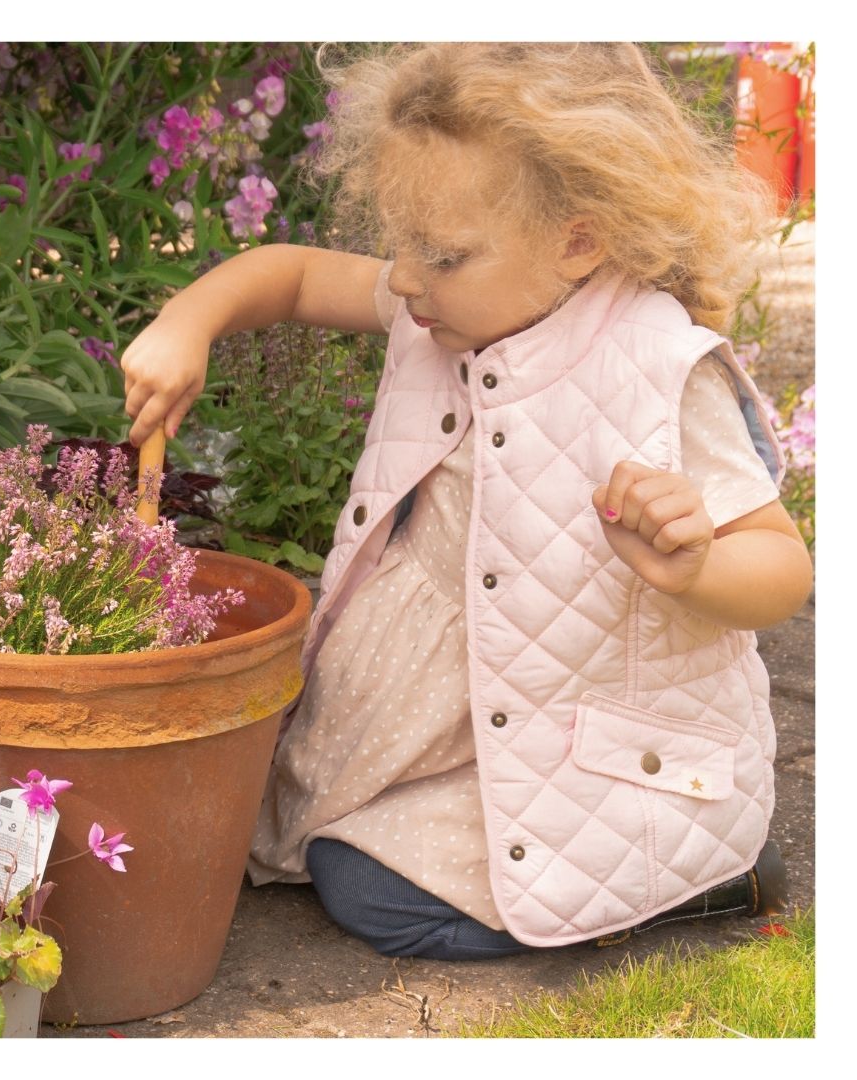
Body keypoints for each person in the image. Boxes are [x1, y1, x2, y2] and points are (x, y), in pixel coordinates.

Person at [120, 42, 813, 959]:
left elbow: (784, 570)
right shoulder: (448, 301)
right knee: (272, 800)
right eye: (398, 242)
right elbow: (287, 274)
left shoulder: (657, 371)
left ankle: (703, 879)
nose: (403, 279)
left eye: (439, 253)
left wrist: (699, 564)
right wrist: (189, 321)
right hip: (452, 703)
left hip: (582, 724)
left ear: (579, 238)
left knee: (363, 887)